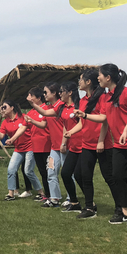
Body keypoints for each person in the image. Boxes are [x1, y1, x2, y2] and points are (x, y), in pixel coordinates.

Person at [76, 64, 127, 224]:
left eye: (100, 75)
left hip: (125, 141)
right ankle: (98, 208)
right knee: (106, 176)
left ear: (108, 77)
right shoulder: (104, 97)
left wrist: (102, 139)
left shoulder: (121, 93)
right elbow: (103, 118)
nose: (99, 78)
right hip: (108, 143)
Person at [73, 69, 117, 219]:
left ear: (88, 82)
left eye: (80, 79)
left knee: (109, 177)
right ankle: (89, 207)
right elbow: (82, 123)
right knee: (82, 175)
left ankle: (121, 208)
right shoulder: (83, 100)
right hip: (86, 144)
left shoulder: (102, 97)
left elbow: (104, 119)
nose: (79, 82)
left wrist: (101, 141)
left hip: (102, 144)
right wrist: (70, 132)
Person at [0, 99, 29, 201]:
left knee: (27, 170)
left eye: (4, 107)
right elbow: (0, 136)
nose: (2, 110)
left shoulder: (23, 117)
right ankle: (11, 193)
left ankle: (36, 191)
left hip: (30, 147)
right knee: (11, 169)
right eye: (1, 108)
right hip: (18, 148)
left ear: (12, 107)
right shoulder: (5, 122)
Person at [30, 83, 65, 207]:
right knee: (50, 172)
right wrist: (32, 121)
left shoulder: (61, 106)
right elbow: (44, 124)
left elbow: (45, 113)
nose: (44, 94)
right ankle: (54, 198)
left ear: (54, 93)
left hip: (65, 145)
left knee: (67, 173)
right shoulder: (50, 107)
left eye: (46, 92)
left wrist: (33, 104)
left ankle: (71, 199)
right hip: (54, 147)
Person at [57, 82, 84, 213]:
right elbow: (65, 127)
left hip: (83, 145)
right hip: (72, 146)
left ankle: (90, 202)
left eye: (62, 91)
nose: (60, 94)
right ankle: (74, 202)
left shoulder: (78, 106)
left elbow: (83, 124)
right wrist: (63, 143)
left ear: (70, 93)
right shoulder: (64, 108)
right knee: (65, 173)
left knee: (79, 175)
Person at [25, 87, 51, 203]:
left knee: (49, 172)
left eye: (31, 96)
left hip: (47, 145)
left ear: (39, 98)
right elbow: (24, 127)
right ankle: (46, 194)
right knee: (42, 172)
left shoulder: (46, 109)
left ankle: (52, 194)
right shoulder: (30, 113)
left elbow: (44, 125)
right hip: (35, 147)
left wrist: (32, 121)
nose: (28, 98)